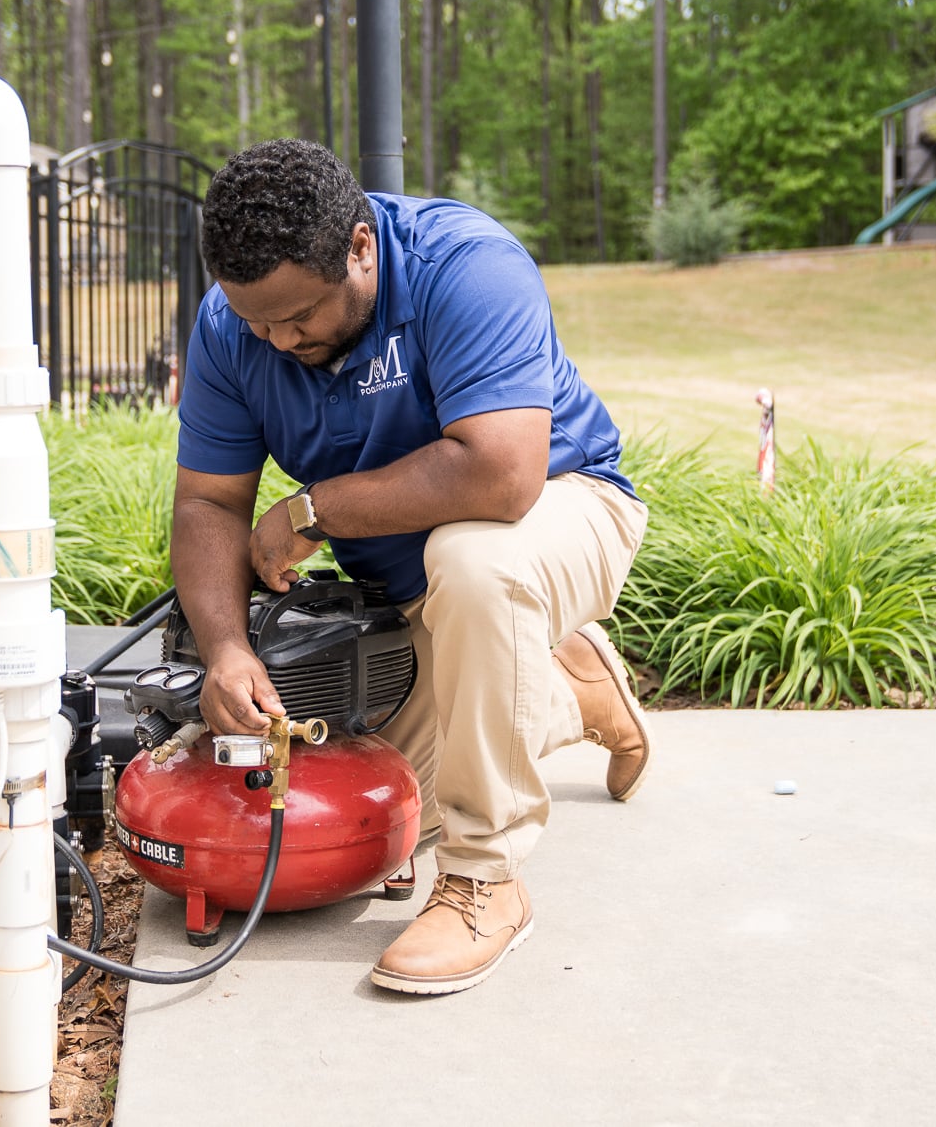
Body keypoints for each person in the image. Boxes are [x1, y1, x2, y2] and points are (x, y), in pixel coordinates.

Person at [171, 138, 651, 996]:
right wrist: (226, 650)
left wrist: (315, 509)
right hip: (414, 587)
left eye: (300, 316)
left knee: (476, 560)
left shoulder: (465, 265)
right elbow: (209, 503)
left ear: (360, 247)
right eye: (257, 321)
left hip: (560, 509)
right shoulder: (231, 327)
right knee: (358, 829)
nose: (277, 340)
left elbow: (502, 475)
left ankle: (487, 880)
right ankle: (574, 688)